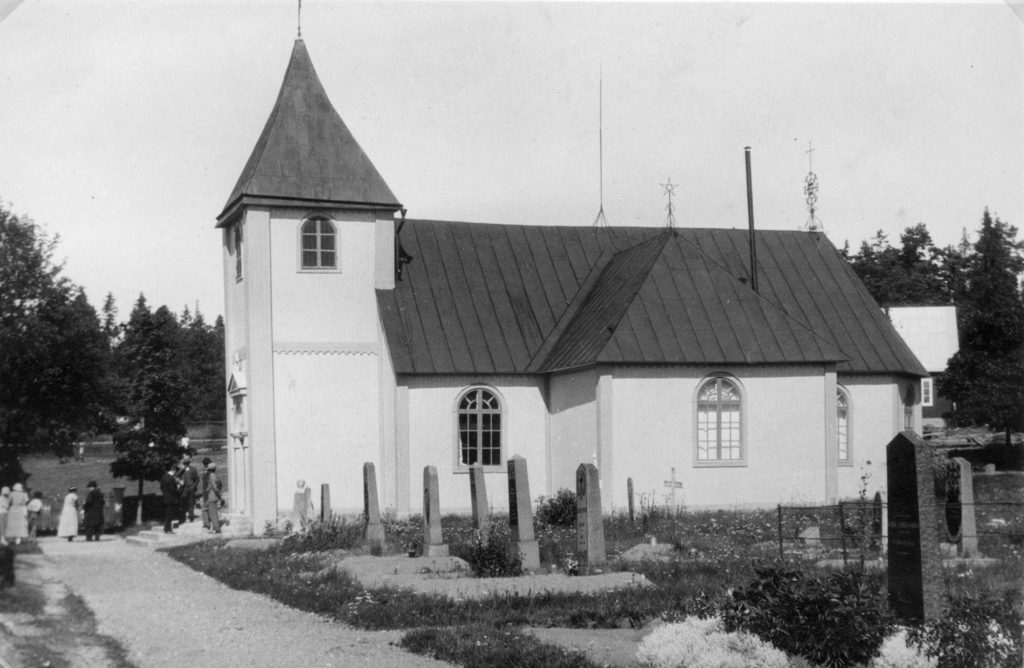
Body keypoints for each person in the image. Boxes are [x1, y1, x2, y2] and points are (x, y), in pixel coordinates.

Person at [159, 464, 180, 534]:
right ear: (174, 471)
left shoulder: (163, 477)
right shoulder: (171, 479)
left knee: (167, 514)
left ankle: (167, 528)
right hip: (172, 499)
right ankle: (167, 529)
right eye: (176, 472)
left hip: (165, 497)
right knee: (170, 515)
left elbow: (161, 487)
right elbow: (173, 490)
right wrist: (178, 487)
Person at [180, 455, 199, 523]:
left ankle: (191, 517)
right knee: (183, 503)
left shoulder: (193, 470)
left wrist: (193, 486)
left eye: (186, 463)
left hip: (190, 489)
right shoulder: (181, 470)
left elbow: (197, 479)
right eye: (184, 463)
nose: (185, 464)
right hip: (183, 489)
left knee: (191, 503)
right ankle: (183, 518)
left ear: (188, 463)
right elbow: (177, 477)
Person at [205, 463, 223, 534]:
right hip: (213, 496)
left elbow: (214, 486)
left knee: (213, 513)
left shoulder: (211, 476)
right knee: (212, 513)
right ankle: (214, 528)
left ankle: (216, 528)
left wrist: (219, 494)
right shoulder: (215, 475)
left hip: (213, 496)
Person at [199, 457, 212, 529]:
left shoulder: (208, 473)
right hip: (206, 492)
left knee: (205, 508)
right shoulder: (208, 472)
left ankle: (207, 523)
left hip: (207, 492)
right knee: (207, 507)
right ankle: (207, 521)